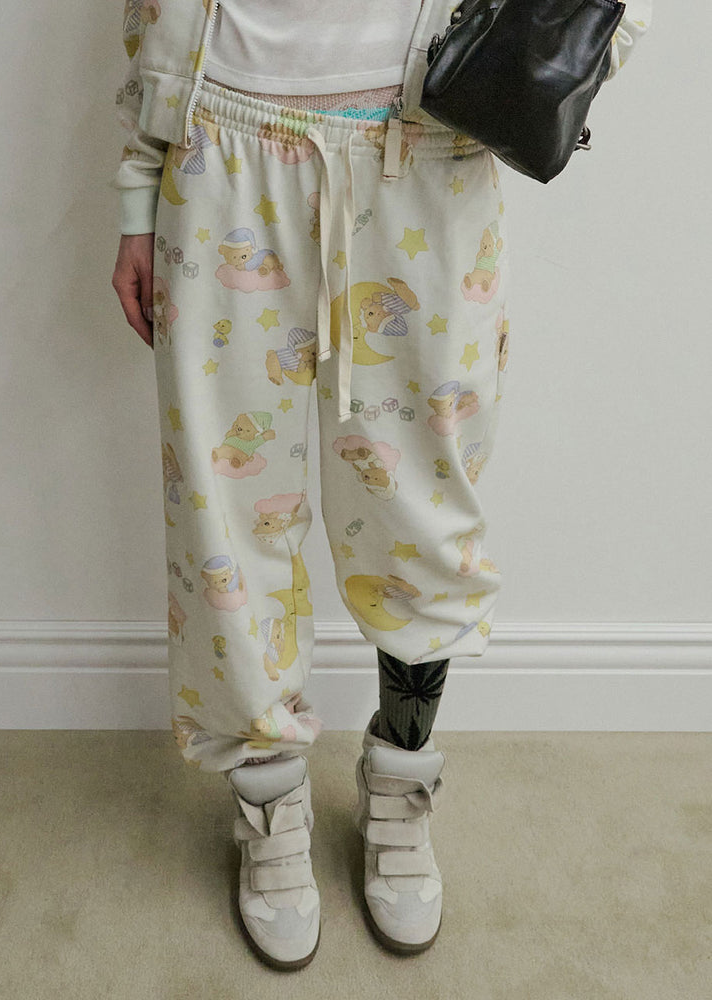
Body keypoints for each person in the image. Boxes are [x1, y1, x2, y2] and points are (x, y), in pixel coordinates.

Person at [110, 0, 652, 971]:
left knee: (421, 516)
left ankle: (401, 783)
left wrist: (564, 56)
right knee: (224, 519)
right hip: (220, 143)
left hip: (428, 150)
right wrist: (140, 183)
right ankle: (269, 803)